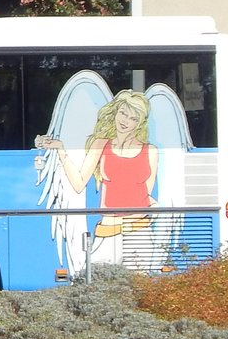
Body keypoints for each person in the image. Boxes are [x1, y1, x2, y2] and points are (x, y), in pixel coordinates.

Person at [36, 89, 158, 237]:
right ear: (115, 112)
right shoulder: (100, 144)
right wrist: (60, 149)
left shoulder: (151, 151)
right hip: (108, 231)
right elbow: (79, 183)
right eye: (123, 113)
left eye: (133, 118)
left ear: (139, 123)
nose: (125, 121)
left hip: (142, 230)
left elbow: (146, 193)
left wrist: (156, 207)